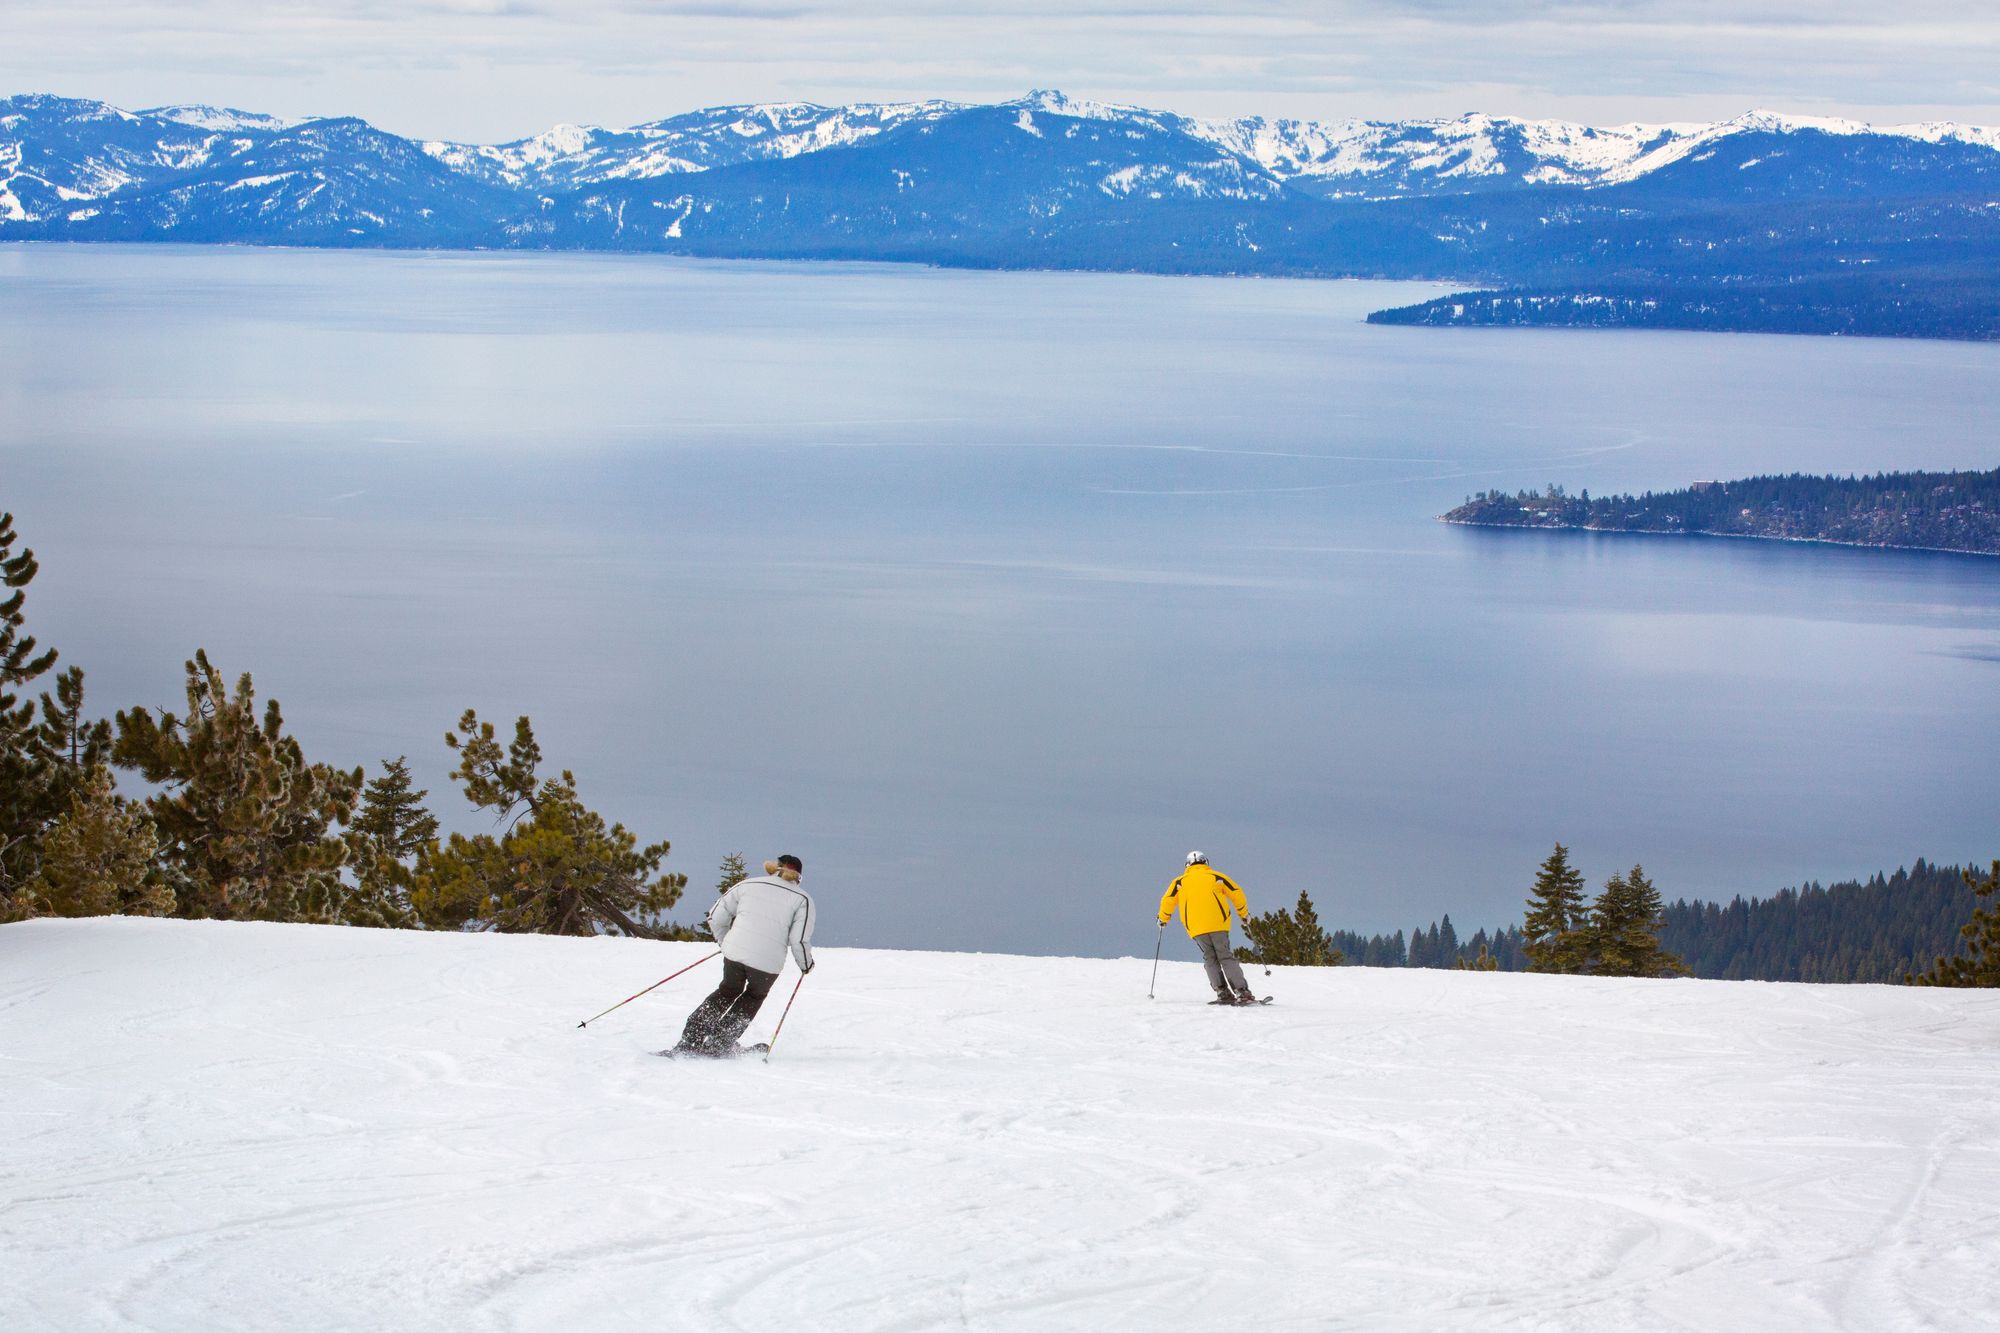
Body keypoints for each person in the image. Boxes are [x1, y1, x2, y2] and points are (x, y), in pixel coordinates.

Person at [669, 854, 815, 1057]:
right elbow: (798, 940)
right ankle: (719, 1045)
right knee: (753, 997)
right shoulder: (803, 899)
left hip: (735, 954)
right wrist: (805, 965)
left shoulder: (748, 884)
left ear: (775, 868)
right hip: (768, 963)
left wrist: (726, 944)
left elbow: (715, 917)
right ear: (799, 876)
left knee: (726, 991)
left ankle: (690, 1041)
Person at [1158, 850, 1258, 1004]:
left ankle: (1222, 992)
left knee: (1210, 957)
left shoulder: (1179, 882)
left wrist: (1163, 919)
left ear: (1187, 865)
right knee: (1224, 955)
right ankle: (1241, 991)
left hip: (1196, 927)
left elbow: (1168, 901)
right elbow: (1236, 893)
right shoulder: (1216, 876)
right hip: (1218, 923)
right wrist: (1243, 914)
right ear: (1206, 862)